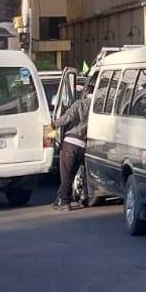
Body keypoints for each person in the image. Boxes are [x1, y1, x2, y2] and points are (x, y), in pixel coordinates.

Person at [53, 82, 91, 210]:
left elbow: (67, 118)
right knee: (72, 173)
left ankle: (64, 202)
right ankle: (60, 198)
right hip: (84, 145)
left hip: (70, 142)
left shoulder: (79, 104)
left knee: (66, 174)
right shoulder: (98, 107)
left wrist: (51, 125)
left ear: (85, 92)